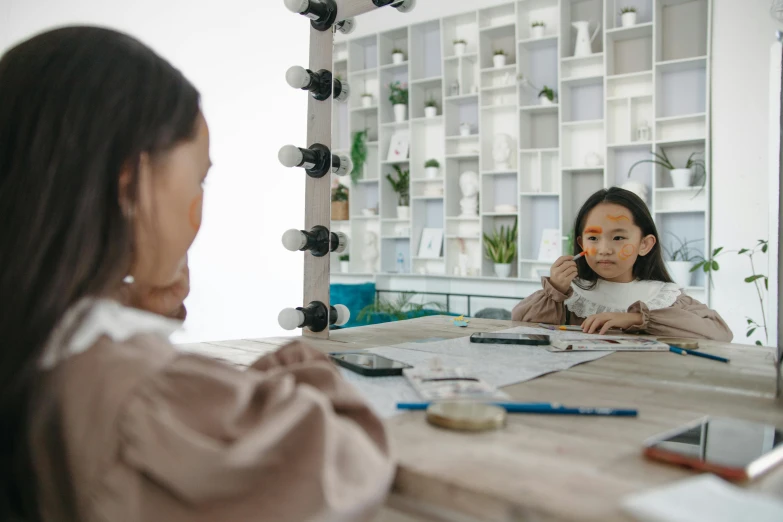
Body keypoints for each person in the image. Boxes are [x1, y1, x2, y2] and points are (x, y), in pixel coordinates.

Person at [0, 26, 394, 521]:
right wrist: (303, 367)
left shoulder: (38, 346)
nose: (200, 205)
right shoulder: (141, 393)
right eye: (198, 178)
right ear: (131, 188)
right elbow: (345, 462)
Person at [512, 188, 732, 341]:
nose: (604, 249)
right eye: (593, 238)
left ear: (644, 244)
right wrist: (555, 291)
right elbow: (521, 327)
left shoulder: (664, 297)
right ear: (581, 244)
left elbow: (720, 333)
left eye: (618, 238)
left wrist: (637, 319)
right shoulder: (570, 296)